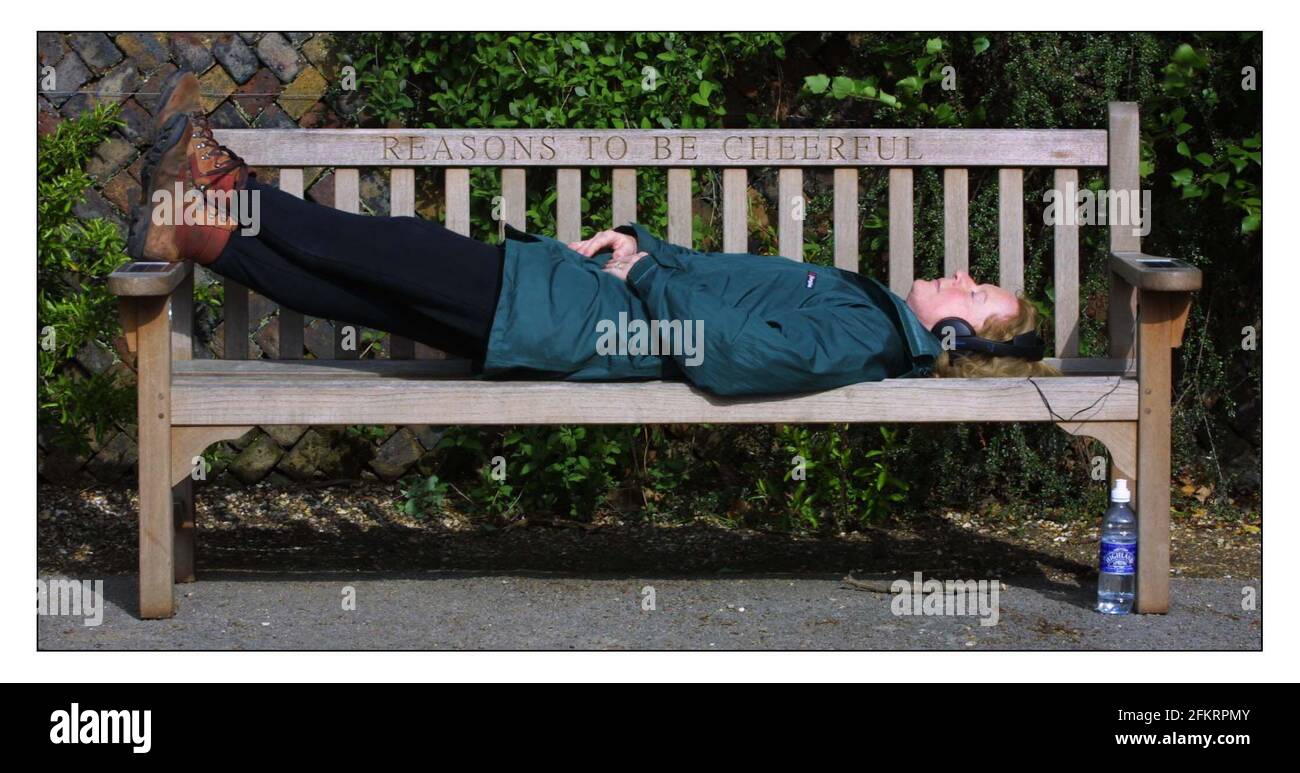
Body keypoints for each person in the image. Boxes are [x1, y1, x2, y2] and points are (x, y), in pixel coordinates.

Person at [127, 71, 1057, 398]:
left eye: (979, 296)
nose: (965, 275)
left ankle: (216, 183)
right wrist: (638, 243)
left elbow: (725, 355)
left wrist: (644, 268)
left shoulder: (861, 336)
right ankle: (197, 236)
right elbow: (722, 305)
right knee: (363, 288)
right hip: (576, 309)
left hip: (573, 319)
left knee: (379, 248)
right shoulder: (866, 315)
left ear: (956, 337)